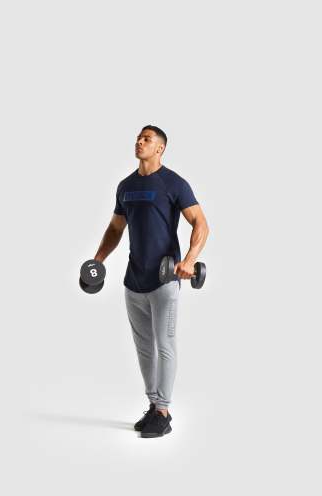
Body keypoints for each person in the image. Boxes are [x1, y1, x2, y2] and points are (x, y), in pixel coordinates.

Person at [93, 125, 209, 438]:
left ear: (160, 148)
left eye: (147, 139)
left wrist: (189, 260)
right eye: (138, 138)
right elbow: (115, 228)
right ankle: (153, 404)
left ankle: (163, 412)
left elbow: (200, 223)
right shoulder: (126, 186)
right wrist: (98, 261)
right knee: (144, 348)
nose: (139, 142)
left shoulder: (174, 183)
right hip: (134, 279)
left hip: (164, 278)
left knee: (165, 344)